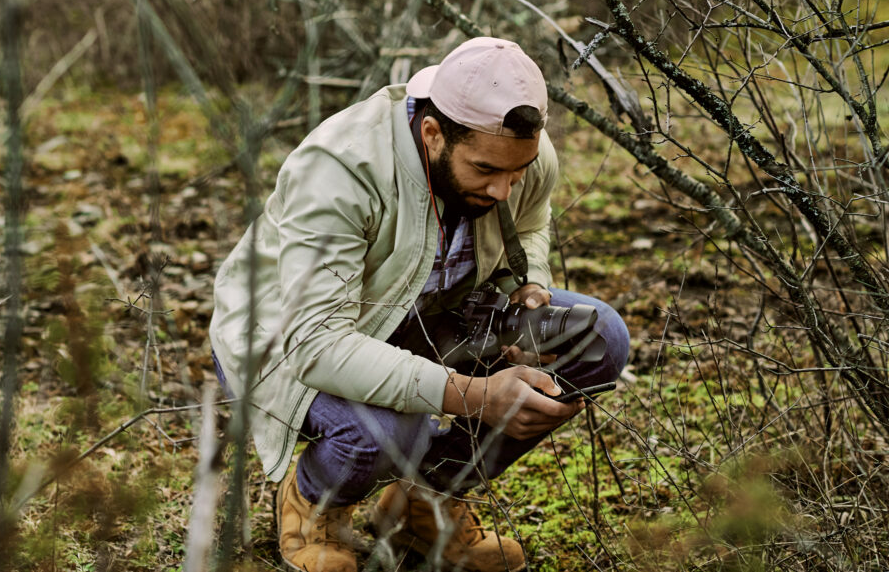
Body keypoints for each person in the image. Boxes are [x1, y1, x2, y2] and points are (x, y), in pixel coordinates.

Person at [209, 37, 629, 572]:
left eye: (516, 174)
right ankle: (314, 505)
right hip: (289, 338)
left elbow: (529, 221)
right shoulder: (341, 168)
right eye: (485, 172)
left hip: (427, 315)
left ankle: (424, 503)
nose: (503, 189)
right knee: (391, 426)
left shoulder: (515, 152)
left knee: (598, 340)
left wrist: (530, 286)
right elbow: (318, 345)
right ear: (432, 134)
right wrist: (475, 395)